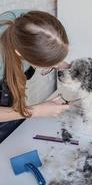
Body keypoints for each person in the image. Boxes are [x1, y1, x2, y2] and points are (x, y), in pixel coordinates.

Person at [0, 10, 69, 143]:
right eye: (45, 66)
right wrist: (34, 111)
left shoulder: (30, 24)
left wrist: (61, 63)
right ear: (20, 54)